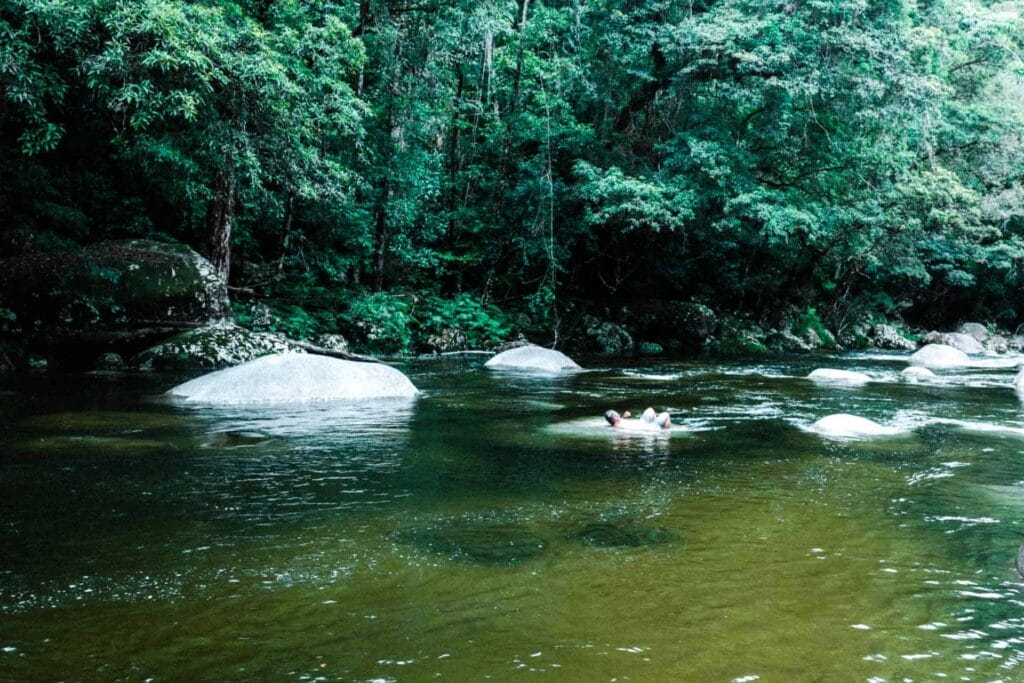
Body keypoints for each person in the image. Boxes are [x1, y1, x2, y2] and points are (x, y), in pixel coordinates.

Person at [605, 408, 671, 431]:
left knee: (650, 410)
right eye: (616, 414)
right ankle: (666, 431)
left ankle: (658, 423)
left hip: (642, 422)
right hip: (650, 427)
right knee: (666, 414)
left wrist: (624, 417)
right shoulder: (618, 427)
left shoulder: (619, 422)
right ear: (614, 418)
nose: (617, 414)